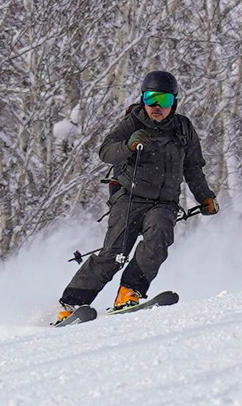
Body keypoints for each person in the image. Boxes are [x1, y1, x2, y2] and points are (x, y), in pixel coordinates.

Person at [55, 70, 219, 321]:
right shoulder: (132, 123)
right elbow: (105, 152)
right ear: (142, 99)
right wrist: (129, 145)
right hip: (129, 197)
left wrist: (204, 196)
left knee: (157, 242)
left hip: (164, 203)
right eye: (151, 99)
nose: (156, 106)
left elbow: (193, 167)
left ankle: (129, 292)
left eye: (164, 101)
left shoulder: (183, 128)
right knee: (113, 255)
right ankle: (71, 304)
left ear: (173, 103)